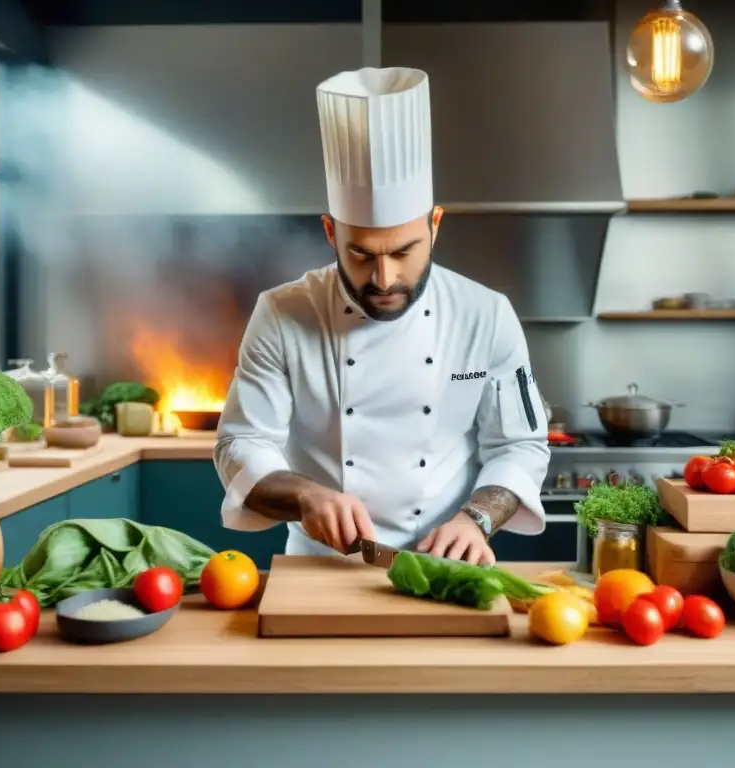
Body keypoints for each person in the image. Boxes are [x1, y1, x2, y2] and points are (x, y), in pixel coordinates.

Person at [213, 66, 549, 565]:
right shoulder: (282, 314)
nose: (385, 278)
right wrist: (306, 495)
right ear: (331, 233)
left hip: (444, 568)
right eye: (362, 255)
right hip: (317, 569)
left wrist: (475, 519)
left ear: (435, 225)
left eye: (404, 251)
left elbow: (522, 445)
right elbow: (240, 443)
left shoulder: (487, 315)